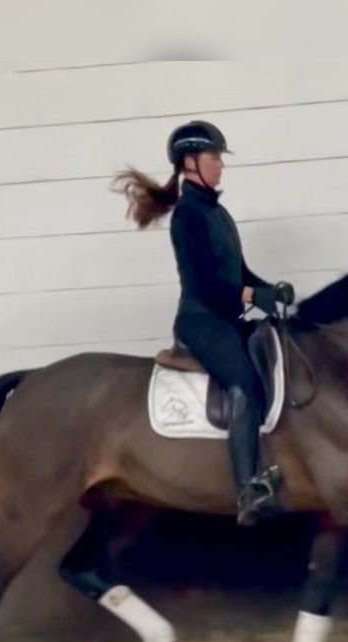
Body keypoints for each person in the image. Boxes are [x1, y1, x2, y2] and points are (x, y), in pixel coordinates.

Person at [113, 120, 294, 525]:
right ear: (191, 162)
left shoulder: (219, 213)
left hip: (227, 317)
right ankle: (248, 488)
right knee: (245, 383)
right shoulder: (189, 216)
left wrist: (271, 291)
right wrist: (252, 297)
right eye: (215, 157)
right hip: (202, 322)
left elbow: (239, 273)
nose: (221, 165)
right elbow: (207, 285)